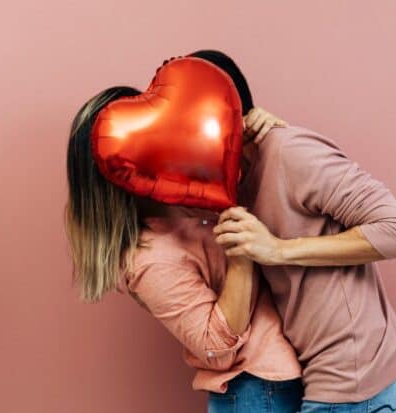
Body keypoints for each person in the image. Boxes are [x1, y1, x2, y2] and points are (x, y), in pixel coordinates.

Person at [64, 80, 304, 412]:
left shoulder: (187, 195)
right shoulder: (148, 257)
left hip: (290, 379)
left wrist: (269, 140)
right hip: (257, 391)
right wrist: (241, 255)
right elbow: (216, 349)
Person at [208, 50, 396, 412]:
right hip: (320, 372)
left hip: (352, 378)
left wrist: (278, 249)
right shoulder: (231, 180)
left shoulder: (290, 151)